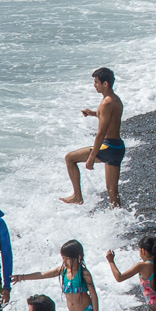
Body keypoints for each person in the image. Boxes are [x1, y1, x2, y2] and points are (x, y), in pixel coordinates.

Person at [64, 68, 126, 207]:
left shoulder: (106, 103)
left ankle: (77, 196)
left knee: (70, 158)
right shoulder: (115, 100)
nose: (94, 85)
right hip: (118, 148)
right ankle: (118, 222)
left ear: (105, 84)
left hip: (108, 146)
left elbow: (101, 133)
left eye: (96, 82)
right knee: (112, 192)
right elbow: (109, 119)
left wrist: (92, 157)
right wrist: (92, 113)